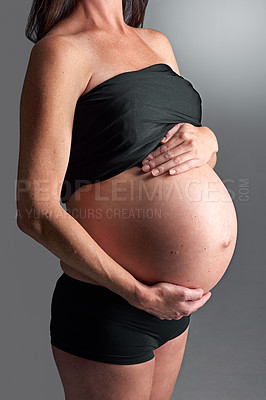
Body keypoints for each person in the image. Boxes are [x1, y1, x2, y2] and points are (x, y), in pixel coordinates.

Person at [16, 1, 237, 399]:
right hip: (110, 302)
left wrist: (208, 141)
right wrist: (139, 295)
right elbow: (36, 210)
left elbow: (179, 152)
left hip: (174, 307)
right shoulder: (60, 51)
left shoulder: (156, 43)